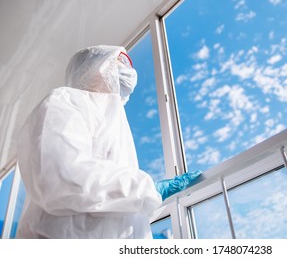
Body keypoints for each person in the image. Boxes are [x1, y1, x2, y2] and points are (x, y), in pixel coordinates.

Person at [16, 45, 201, 239]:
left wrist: (150, 203)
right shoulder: (66, 101)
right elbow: (59, 176)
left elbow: (111, 204)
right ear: (90, 68)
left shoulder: (115, 122)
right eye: (119, 62)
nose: (127, 70)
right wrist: (148, 189)